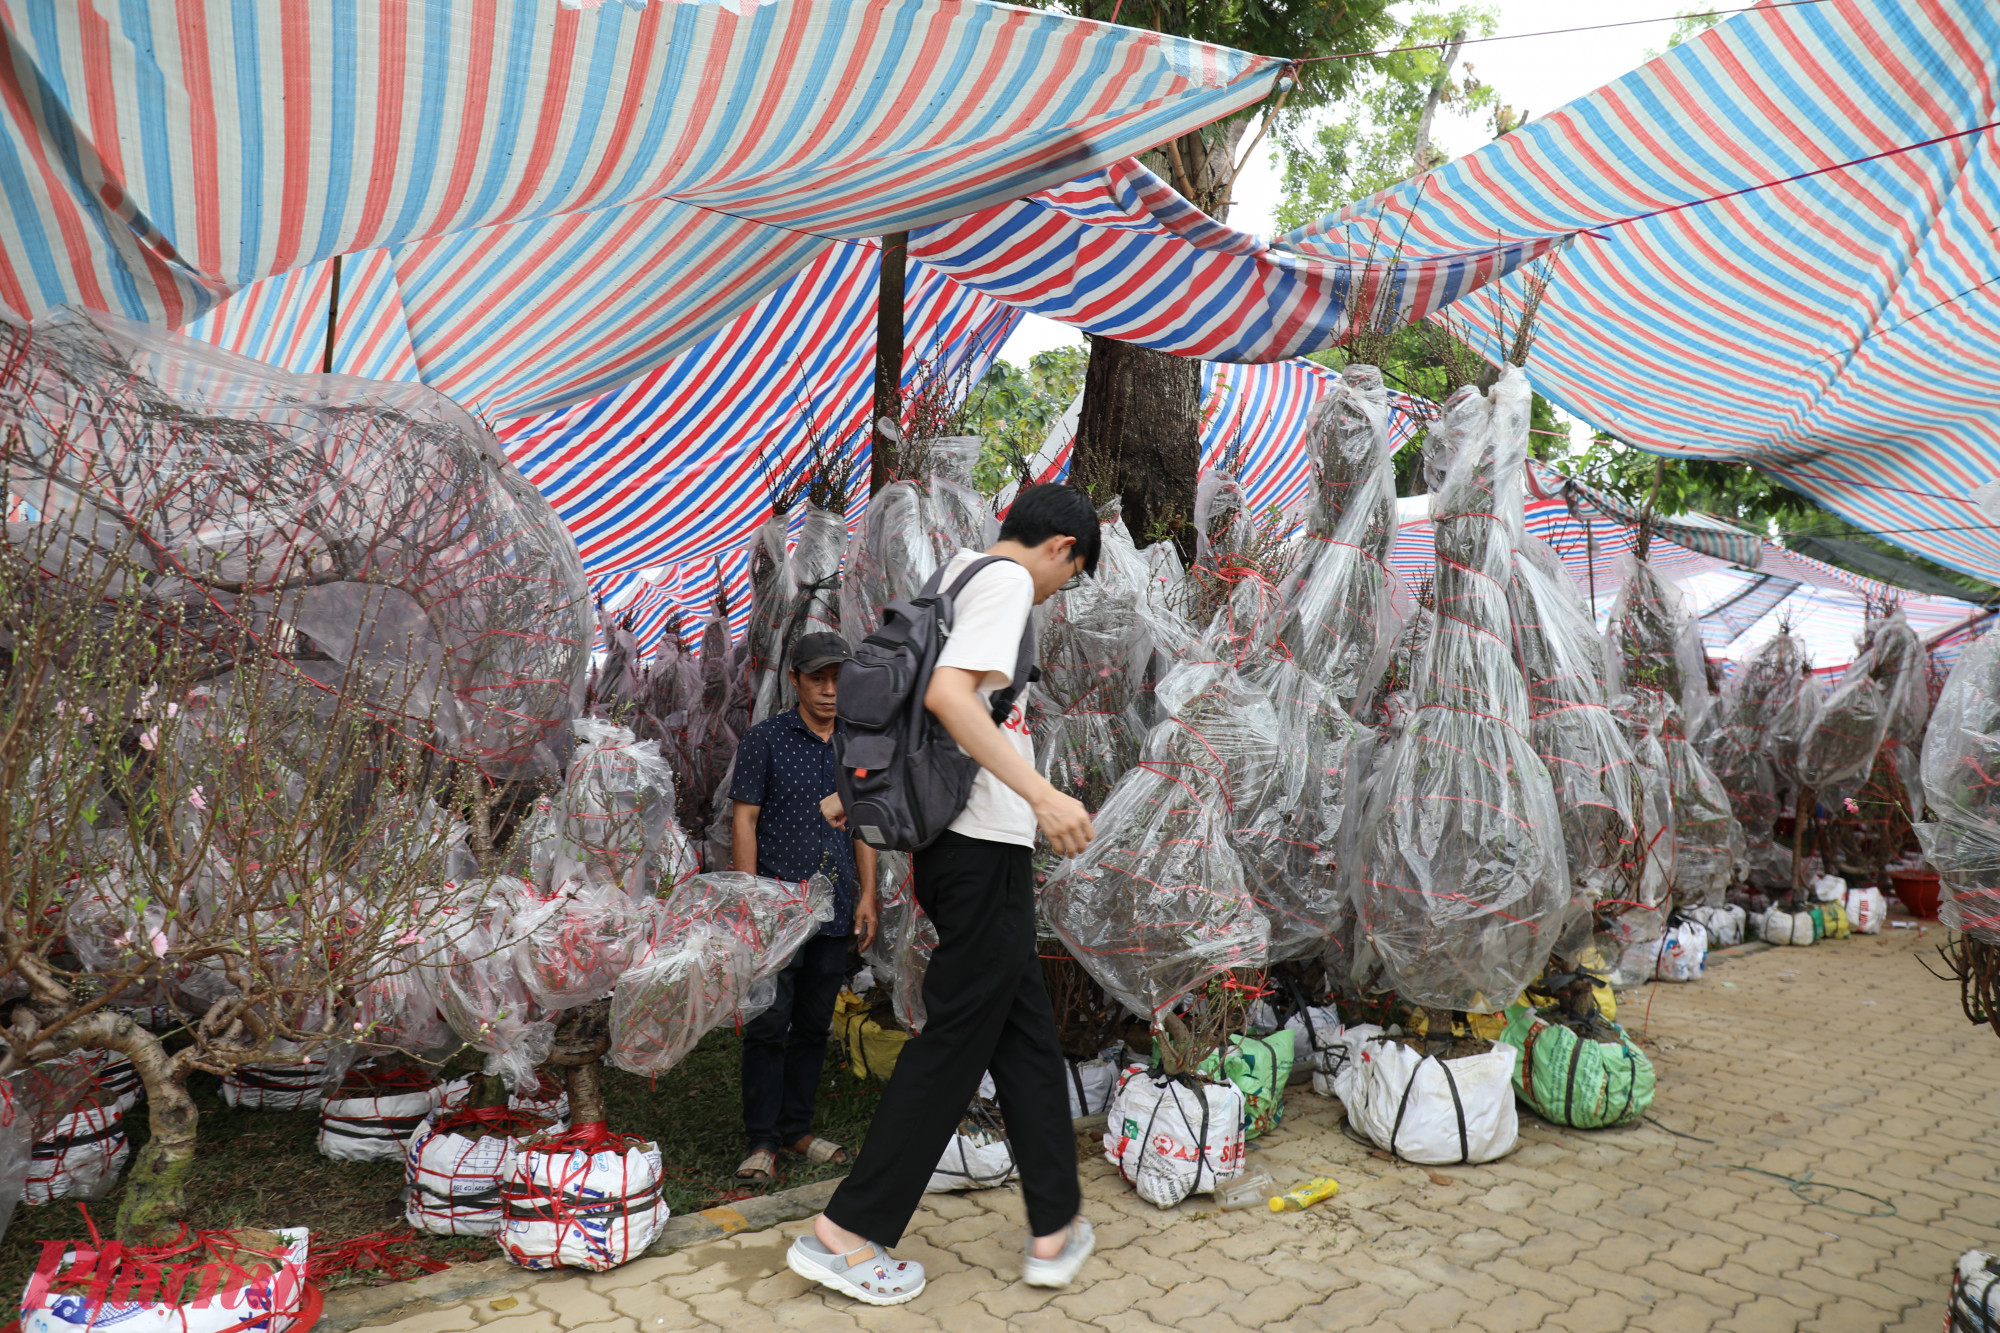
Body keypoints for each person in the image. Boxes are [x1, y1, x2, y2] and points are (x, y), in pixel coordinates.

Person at [786, 484, 1100, 1307]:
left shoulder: (953, 575)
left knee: (1024, 1030)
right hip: (981, 841)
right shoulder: (1002, 583)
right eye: (1070, 575)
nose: (1058, 591)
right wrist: (1045, 795)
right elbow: (948, 698)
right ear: (1062, 546)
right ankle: (846, 1233)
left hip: (954, 848)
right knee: (957, 1039)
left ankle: (1054, 1225)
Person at [730, 632, 879, 1183]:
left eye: (838, 679)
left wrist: (867, 895)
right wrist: (749, 900)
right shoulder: (766, 739)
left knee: (815, 1024)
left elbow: (864, 823)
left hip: (836, 906)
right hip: (778, 905)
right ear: (795, 680)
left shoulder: (857, 744)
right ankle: (762, 1140)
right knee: (770, 1022)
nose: (829, 690)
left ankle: (797, 1129)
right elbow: (743, 819)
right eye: (817, 678)